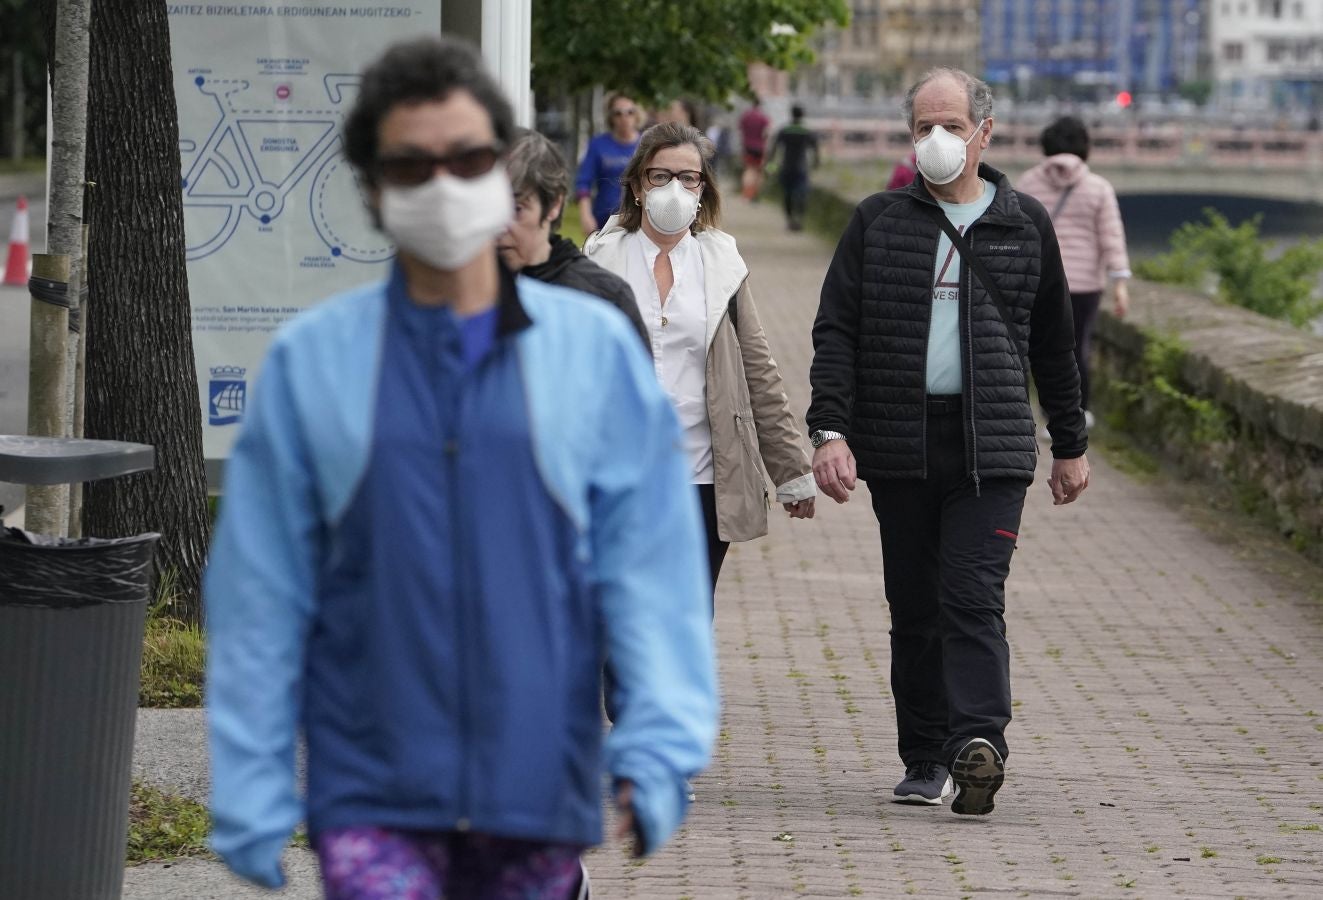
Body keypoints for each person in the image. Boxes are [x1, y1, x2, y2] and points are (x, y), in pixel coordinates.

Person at [204, 37, 717, 898]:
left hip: (533, 790)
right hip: (372, 789)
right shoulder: (316, 362)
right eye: (411, 164)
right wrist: (250, 774)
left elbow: (650, 563)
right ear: (371, 189)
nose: (443, 184)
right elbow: (262, 589)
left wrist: (660, 737)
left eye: (468, 159)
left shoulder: (587, 353)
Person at [807, 67, 1089, 816]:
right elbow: (836, 330)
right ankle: (923, 756)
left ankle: (978, 746)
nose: (935, 139)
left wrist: (1070, 441)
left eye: (951, 125)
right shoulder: (878, 220)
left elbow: (1056, 345)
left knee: (970, 596)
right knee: (915, 608)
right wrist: (829, 429)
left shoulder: (1023, 223)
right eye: (923, 126)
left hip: (990, 446)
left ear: (984, 133)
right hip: (899, 443)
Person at [584, 122, 817, 602]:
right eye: (660, 176)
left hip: (703, 479)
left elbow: (759, 369)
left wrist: (791, 469)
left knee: (683, 623)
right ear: (636, 185)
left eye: (689, 178)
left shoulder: (722, 264)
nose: (675, 188)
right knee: (618, 623)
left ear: (703, 188)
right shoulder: (602, 260)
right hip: (622, 476)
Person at [1016, 116, 1131, 430]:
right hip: (1084, 285)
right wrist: (1120, 282)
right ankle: (1077, 415)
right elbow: (1111, 238)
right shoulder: (1098, 188)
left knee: (1032, 347)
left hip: (1038, 280)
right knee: (1076, 348)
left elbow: (1016, 234)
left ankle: (1040, 415)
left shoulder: (1028, 183)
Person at [498, 130, 650, 349]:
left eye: (516, 209)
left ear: (554, 205)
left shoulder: (605, 298)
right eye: (487, 208)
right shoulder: (452, 295)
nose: (499, 226)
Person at [575, 93, 642, 238]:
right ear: (611, 117)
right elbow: (583, 182)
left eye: (629, 112)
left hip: (640, 219)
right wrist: (585, 215)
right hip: (604, 219)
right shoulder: (598, 144)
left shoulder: (646, 144)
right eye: (618, 113)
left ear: (637, 115)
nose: (624, 118)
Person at [766, 104, 820, 231]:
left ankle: (790, 220)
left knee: (787, 195)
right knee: (802, 195)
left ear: (792, 114)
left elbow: (774, 149)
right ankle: (800, 220)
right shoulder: (807, 131)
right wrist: (816, 162)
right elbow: (815, 149)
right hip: (802, 168)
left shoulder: (784, 130)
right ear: (803, 115)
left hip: (786, 167)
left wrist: (770, 165)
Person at [738, 96, 771, 201]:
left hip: (747, 146)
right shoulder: (763, 117)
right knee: (758, 171)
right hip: (760, 147)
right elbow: (766, 133)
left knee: (748, 170)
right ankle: (755, 194)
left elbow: (740, 130)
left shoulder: (745, 116)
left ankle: (746, 194)